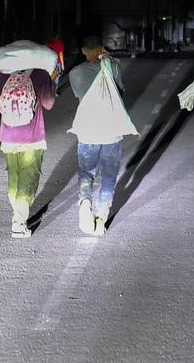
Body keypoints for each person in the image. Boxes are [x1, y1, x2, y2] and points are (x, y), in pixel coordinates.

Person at [68, 35, 127, 236]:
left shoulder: (75, 73)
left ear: (83, 50)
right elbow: (120, 94)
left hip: (88, 130)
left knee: (87, 172)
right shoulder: (113, 67)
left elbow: (80, 95)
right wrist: (110, 64)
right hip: (112, 130)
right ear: (102, 48)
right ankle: (101, 218)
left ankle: (85, 201)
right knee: (108, 177)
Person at [0, 67, 56, 238]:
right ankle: (19, 223)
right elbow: (48, 103)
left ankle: (18, 215)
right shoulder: (40, 72)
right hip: (32, 137)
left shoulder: (3, 71)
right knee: (28, 178)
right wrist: (51, 81)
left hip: (9, 136)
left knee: (14, 177)